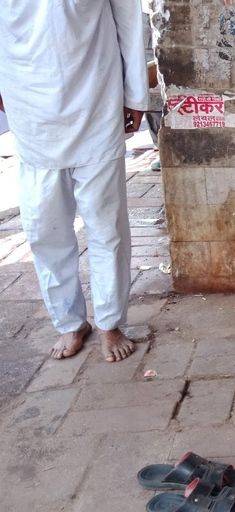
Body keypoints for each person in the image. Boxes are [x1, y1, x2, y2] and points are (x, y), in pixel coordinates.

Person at [0, 1, 149, 362]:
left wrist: (136, 93)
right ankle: (70, 321)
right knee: (43, 229)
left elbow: (128, 19)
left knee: (106, 226)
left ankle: (109, 323)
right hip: (28, 100)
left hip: (96, 96)